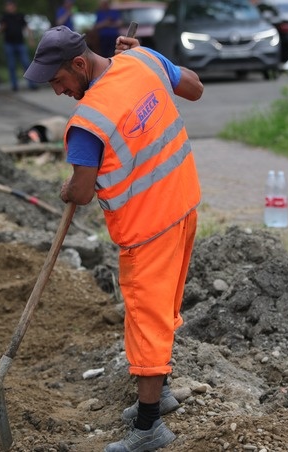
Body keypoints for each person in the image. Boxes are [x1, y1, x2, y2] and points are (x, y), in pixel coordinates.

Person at [24, 26, 204, 452]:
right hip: (183, 205)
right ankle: (159, 394)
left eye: (59, 80)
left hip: (147, 229)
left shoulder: (88, 122)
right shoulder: (142, 61)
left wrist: (66, 190)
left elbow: (82, 191)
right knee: (161, 310)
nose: (58, 92)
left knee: (146, 318)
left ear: (80, 65)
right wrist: (154, 58)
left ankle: (148, 429)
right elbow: (194, 88)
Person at [0, 1, 38, 92]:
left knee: (26, 63)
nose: (10, 8)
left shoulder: (20, 16)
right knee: (12, 65)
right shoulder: (4, 17)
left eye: (11, 6)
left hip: (20, 43)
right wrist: (2, 28)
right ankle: (14, 85)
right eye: (8, 6)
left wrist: (31, 39)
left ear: (14, 7)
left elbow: (27, 28)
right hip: (9, 44)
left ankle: (32, 84)